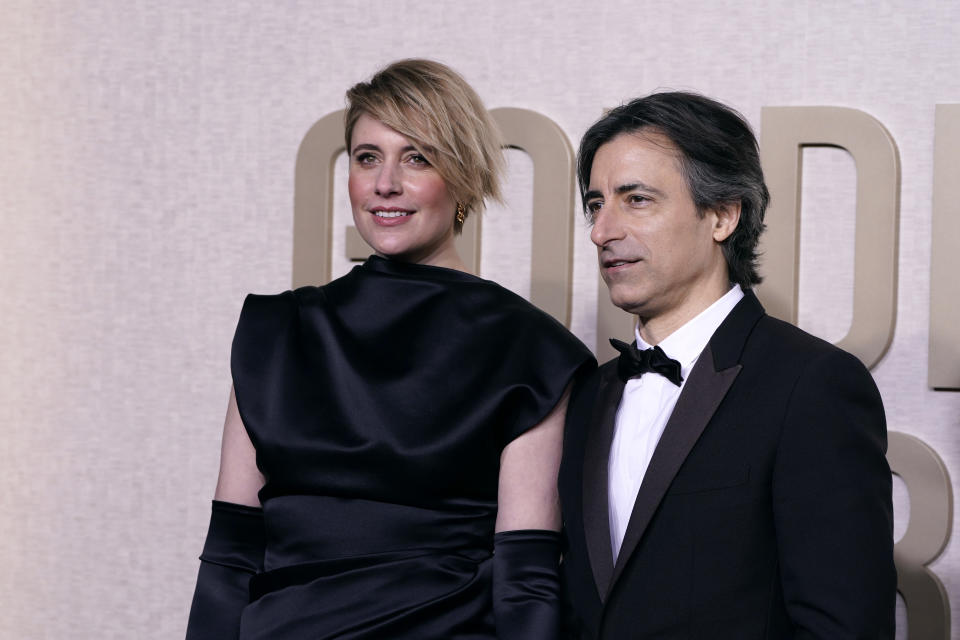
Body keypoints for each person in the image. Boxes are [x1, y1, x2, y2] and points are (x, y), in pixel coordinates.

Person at [185, 59, 594, 639]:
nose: (385, 184)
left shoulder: (531, 350)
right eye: (367, 157)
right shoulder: (278, 333)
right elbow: (229, 556)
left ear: (463, 176)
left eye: (417, 158)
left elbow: (526, 580)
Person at [558, 92, 896, 639]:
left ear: (722, 215)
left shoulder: (811, 385)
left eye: (636, 200)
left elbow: (846, 626)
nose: (602, 231)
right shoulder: (590, 396)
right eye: (597, 205)